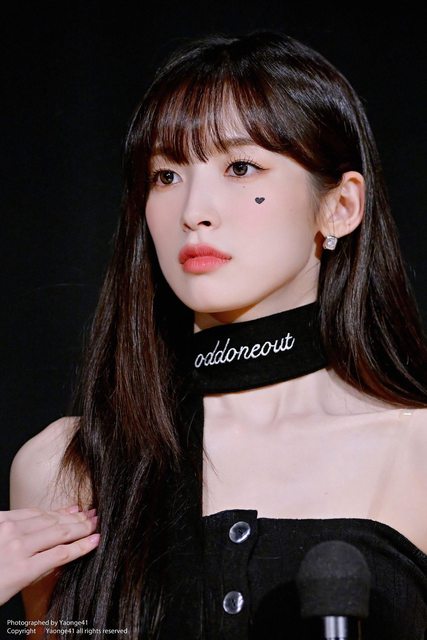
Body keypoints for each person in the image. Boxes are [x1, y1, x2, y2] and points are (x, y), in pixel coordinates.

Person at [9, 30, 427, 639]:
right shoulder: (66, 467)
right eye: (165, 175)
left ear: (339, 206)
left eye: (240, 167)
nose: (193, 211)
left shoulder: (415, 452)